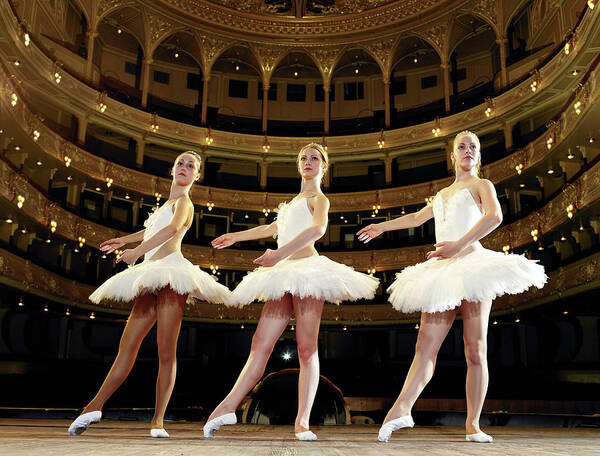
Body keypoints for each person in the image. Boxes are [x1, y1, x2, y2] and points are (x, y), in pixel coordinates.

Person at [357, 131, 546, 444]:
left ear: (478, 156)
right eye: (462, 146)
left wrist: (457, 245)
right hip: (442, 271)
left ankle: (473, 424)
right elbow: (418, 218)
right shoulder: (443, 193)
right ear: (453, 156)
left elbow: (494, 216)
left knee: (475, 348)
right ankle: (401, 409)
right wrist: (382, 226)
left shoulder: (481, 185)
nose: (468, 150)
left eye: (473, 146)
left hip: (473, 267)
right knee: (424, 346)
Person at [204, 143, 379, 441]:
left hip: (307, 271)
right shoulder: (294, 200)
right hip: (283, 274)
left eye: (315, 158)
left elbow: (317, 230)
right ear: (298, 165)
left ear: (324, 167)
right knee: (260, 343)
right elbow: (273, 227)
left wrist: (278, 254)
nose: (308, 161)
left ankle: (302, 421)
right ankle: (227, 407)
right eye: (303, 158)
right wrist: (235, 235)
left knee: (306, 348)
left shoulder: (318, 199)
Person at [68, 151, 230, 438]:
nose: (184, 167)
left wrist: (136, 252)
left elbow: (171, 229)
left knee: (166, 351)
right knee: (126, 345)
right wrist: (125, 239)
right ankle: (93, 407)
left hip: (170, 276)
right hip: (151, 274)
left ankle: (157, 421)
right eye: (180, 162)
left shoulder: (184, 203)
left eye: (191, 165)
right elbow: (151, 229)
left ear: (197, 176)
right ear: (172, 170)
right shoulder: (166, 203)